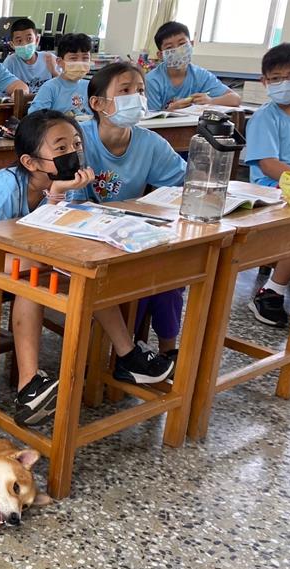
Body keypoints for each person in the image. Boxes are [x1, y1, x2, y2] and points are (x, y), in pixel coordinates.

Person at [0, 109, 174, 427]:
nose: (73, 153)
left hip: (8, 254)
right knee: (31, 266)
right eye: (60, 148)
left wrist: (58, 196)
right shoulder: (2, 191)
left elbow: (48, 233)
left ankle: (123, 357)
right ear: (30, 162)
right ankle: (32, 385)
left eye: (76, 144)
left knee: (69, 265)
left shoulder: (62, 184)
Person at [73, 61, 188, 353]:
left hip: (130, 232)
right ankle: (122, 352)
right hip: (83, 235)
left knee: (168, 277)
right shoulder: (76, 140)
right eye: (125, 91)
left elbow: (185, 184)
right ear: (97, 103)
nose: (136, 98)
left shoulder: (150, 143)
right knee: (129, 277)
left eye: (140, 91)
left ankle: (167, 352)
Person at [244, 43, 290, 328]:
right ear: (265, 82)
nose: (285, 83)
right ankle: (274, 289)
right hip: (273, 187)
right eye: (276, 78)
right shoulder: (265, 117)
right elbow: (268, 164)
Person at [144, 21, 241, 112]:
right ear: (160, 55)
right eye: (169, 47)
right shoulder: (152, 81)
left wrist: (210, 101)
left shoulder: (201, 75)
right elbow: (150, 119)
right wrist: (171, 110)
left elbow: (235, 99)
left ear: (191, 44)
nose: (178, 50)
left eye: (182, 44)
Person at [28, 33, 94, 119]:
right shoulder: (50, 88)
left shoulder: (91, 86)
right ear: (59, 62)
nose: (80, 63)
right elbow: (35, 118)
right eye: (73, 58)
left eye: (85, 58)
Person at [2, 18, 59, 93]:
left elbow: (65, 88)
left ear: (37, 40)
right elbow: (3, 90)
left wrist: (54, 72)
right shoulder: (10, 63)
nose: (24, 44)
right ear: (12, 45)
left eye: (29, 39)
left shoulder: (50, 58)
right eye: (19, 41)